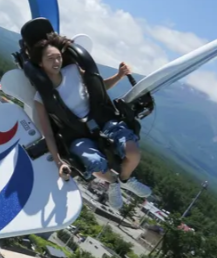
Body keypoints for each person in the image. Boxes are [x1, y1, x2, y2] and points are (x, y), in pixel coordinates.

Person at [29, 32, 151, 210]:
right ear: (40, 63)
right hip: (77, 134)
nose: (56, 62)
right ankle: (113, 182)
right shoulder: (41, 97)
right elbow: (48, 133)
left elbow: (98, 88)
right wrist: (59, 161)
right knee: (95, 164)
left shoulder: (73, 71)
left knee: (133, 152)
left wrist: (119, 76)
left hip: (102, 120)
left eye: (58, 57)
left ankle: (125, 179)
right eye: (50, 59)